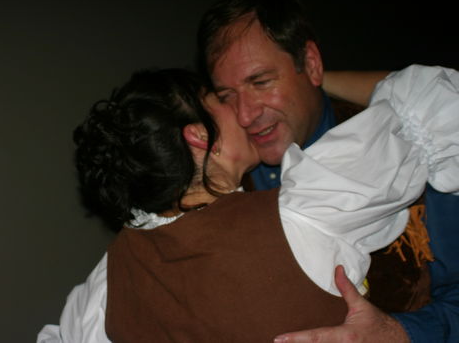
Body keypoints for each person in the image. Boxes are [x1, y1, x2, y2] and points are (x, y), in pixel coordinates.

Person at [37, 64, 456, 342]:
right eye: (221, 100)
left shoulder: (108, 282)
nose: (242, 111)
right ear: (199, 135)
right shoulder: (304, 211)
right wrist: (312, 79)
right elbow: (433, 101)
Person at [196, 0, 459, 342]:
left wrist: (399, 333)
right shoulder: (224, 179)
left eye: (261, 82)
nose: (245, 115)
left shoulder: (412, 146)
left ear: (312, 64)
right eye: (227, 96)